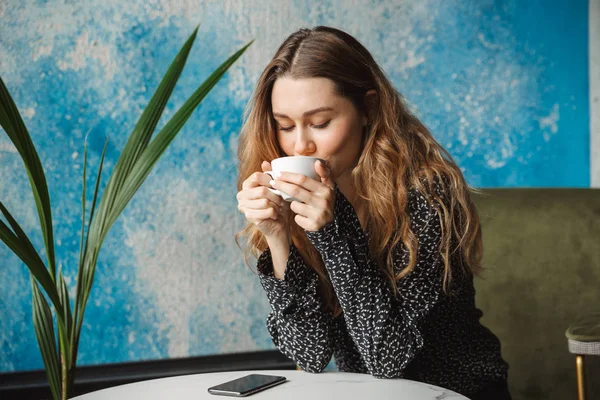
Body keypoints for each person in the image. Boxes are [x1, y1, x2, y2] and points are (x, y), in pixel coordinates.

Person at [235, 26, 511, 400]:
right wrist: (277, 236)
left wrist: (332, 236)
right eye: (285, 125)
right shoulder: (297, 204)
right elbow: (310, 354)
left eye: (319, 123)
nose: (300, 144)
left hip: (455, 391)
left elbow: (388, 360)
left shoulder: (428, 194)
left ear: (368, 109)